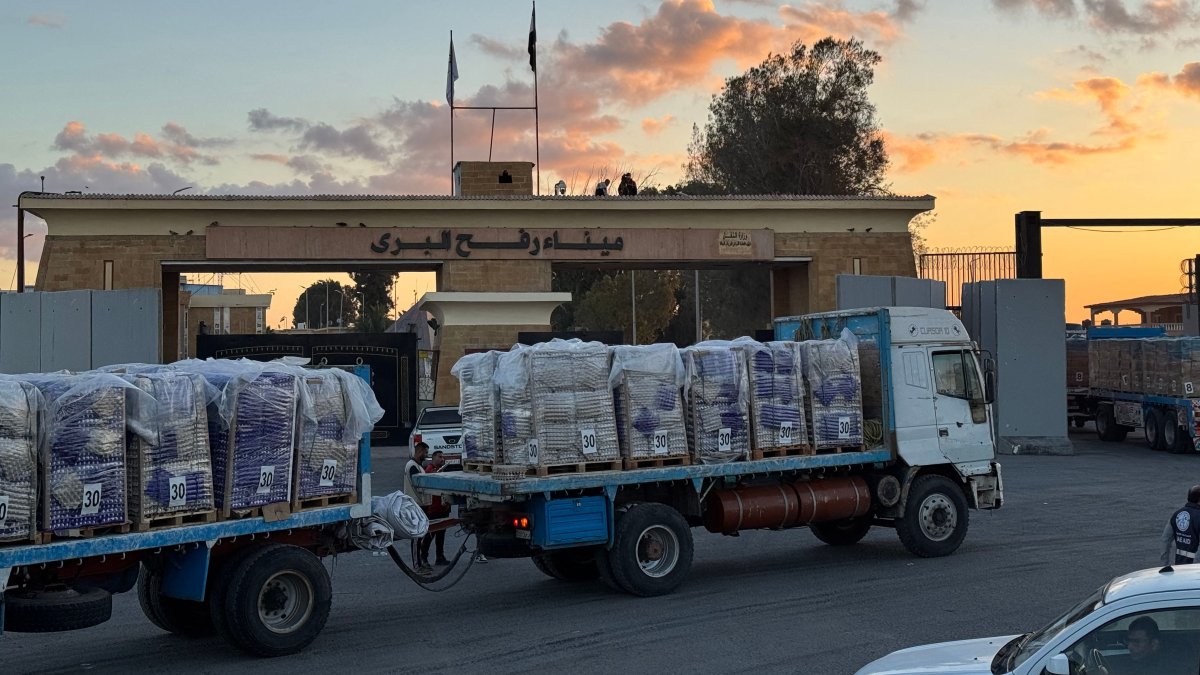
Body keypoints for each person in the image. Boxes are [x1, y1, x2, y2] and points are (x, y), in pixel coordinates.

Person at [419, 452, 450, 566]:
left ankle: (440, 556)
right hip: (433, 508)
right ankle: (423, 557)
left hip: (443, 507)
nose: (442, 459)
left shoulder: (440, 470)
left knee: (441, 535)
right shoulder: (430, 470)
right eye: (440, 457)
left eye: (443, 457)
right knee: (430, 534)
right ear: (433, 458)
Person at [1161, 485, 1200, 566]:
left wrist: (1165, 565)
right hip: (1195, 570)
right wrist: (1196, 568)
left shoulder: (1176, 515)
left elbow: (1165, 540)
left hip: (1180, 565)